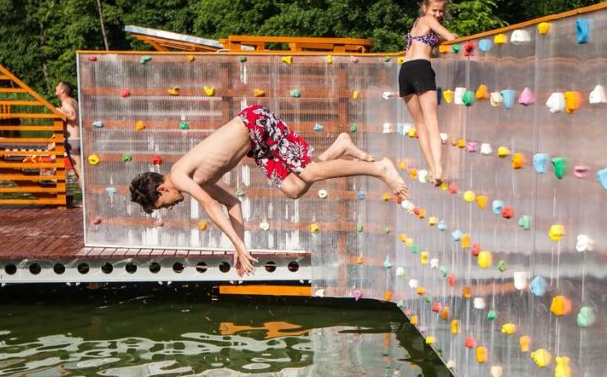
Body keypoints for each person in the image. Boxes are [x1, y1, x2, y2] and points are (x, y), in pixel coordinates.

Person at [129, 105, 408, 277]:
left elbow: (211, 207)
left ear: (162, 188)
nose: (170, 207)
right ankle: (340, 147)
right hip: (256, 145)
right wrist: (242, 247)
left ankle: (380, 169)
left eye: (163, 204)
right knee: (293, 188)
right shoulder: (196, 182)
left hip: (256, 122)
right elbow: (232, 204)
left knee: (308, 172)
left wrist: (236, 245)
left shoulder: (179, 174)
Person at [399, 0, 457, 185]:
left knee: (420, 125)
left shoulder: (417, 25)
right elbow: (449, 35)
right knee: (431, 121)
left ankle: (432, 169)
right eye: (435, 10)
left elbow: (430, 42)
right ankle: (439, 168)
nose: (438, 14)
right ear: (425, 8)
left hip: (405, 72)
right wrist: (454, 38)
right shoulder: (427, 20)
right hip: (421, 69)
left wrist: (439, 41)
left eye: (441, 11)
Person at [54, 81, 81, 179]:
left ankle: (87, 193)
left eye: (58, 86)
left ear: (62, 90)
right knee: (79, 172)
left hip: (73, 140)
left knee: (80, 172)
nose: (56, 87)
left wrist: (58, 110)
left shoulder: (66, 102)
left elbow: (72, 115)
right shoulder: (73, 101)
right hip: (78, 139)